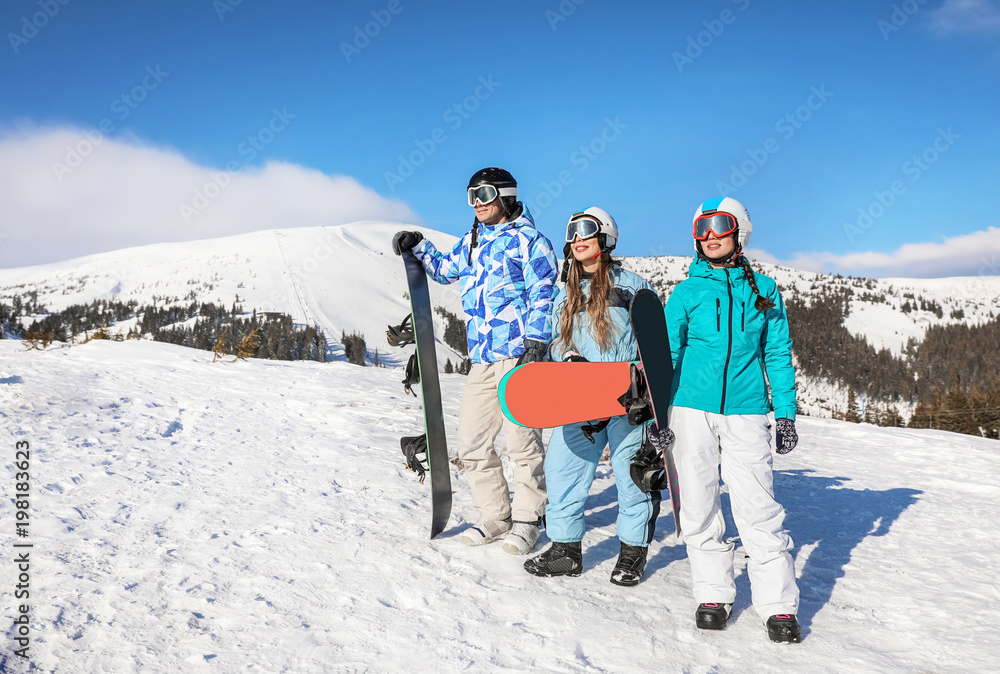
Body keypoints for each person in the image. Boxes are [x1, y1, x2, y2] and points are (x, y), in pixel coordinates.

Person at [392, 167, 558, 555]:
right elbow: (443, 271)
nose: (478, 203)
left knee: (522, 443)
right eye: (471, 196)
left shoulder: (530, 241)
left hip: (521, 356)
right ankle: (496, 515)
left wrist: (537, 341)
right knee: (472, 444)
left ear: (507, 196)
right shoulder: (472, 242)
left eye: (484, 194)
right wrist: (418, 246)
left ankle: (530, 518)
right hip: (482, 359)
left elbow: (544, 292)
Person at [663, 196, 802, 643]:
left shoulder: (763, 290)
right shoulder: (685, 293)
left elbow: (777, 354)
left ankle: (778, 606)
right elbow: (666, 355)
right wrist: (657, 411)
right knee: (699, 504)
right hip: (691, 409)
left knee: (757, 506)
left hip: (746, 410)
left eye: (719, 225)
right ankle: (713, 594)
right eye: (701, 227)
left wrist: (785, 414)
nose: (710, 236)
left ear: (739, 231)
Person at [523, 207, 661, 586]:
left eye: (586, 230)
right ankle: (565, 551)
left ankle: (632, 553)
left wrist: (646, 386)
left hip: (628, 398)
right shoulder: (562, 293)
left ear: (606, 238)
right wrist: (566, 356)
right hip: (580, 395)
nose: (577, 238)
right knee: (563, 470)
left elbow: (656, 344)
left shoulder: (633, 286)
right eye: (571, 232)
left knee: (632, 474)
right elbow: (553, 341)